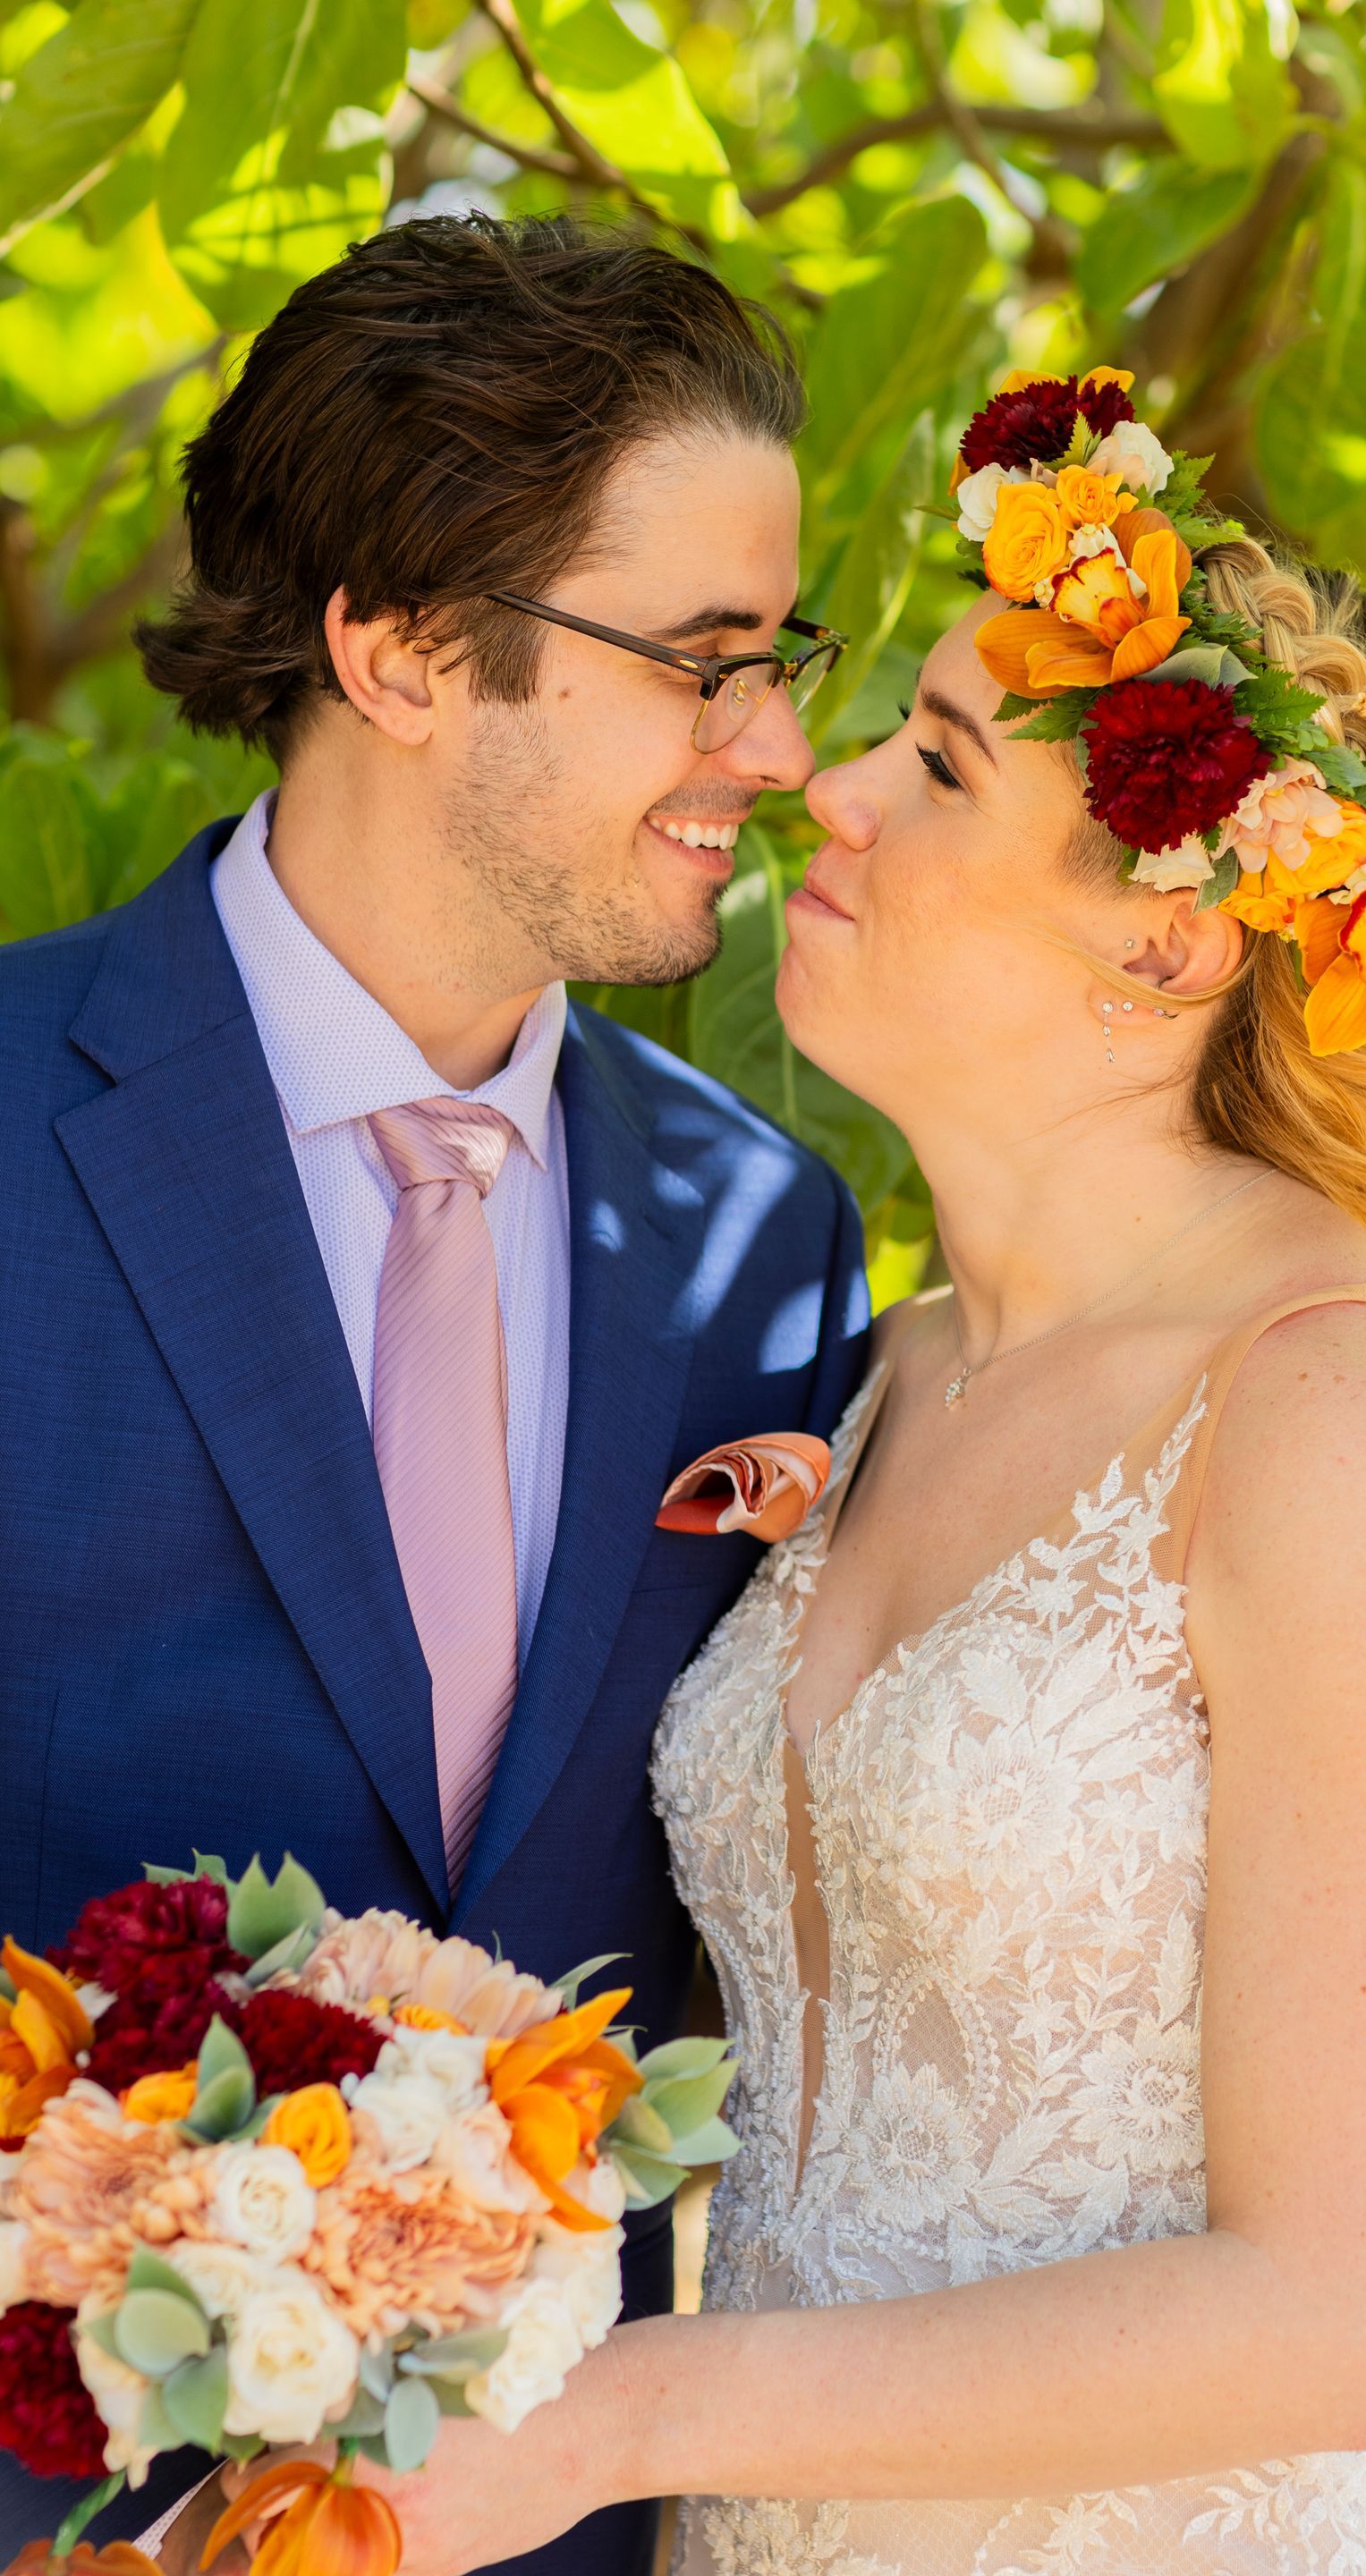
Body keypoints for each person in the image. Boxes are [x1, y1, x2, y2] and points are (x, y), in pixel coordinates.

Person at [349, 418, 1366, 2575]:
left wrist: (627, 2411)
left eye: (939, 761)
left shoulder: (1346, 1421)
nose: (828, 786)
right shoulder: (866, 1374)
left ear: (1171, 952)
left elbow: (1334, 2317)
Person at [0, 213, 869, 2576]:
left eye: (782, 664)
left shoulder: (764, 1249)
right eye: (700, 664)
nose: (777, 752)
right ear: (392, 648)